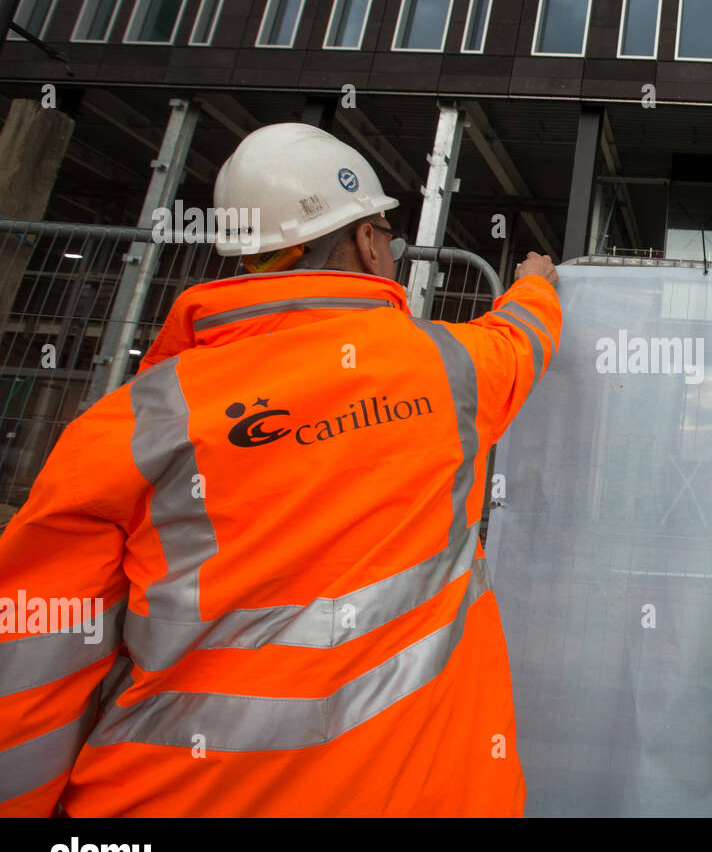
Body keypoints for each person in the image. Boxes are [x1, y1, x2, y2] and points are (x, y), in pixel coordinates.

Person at [0, 122, 561, 816]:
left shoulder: (130, 424)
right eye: (386, 230)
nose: (391, 248)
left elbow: (25, 682)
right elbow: (521, 341)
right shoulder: (447, 370)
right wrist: (536, 283)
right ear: (364, 241)